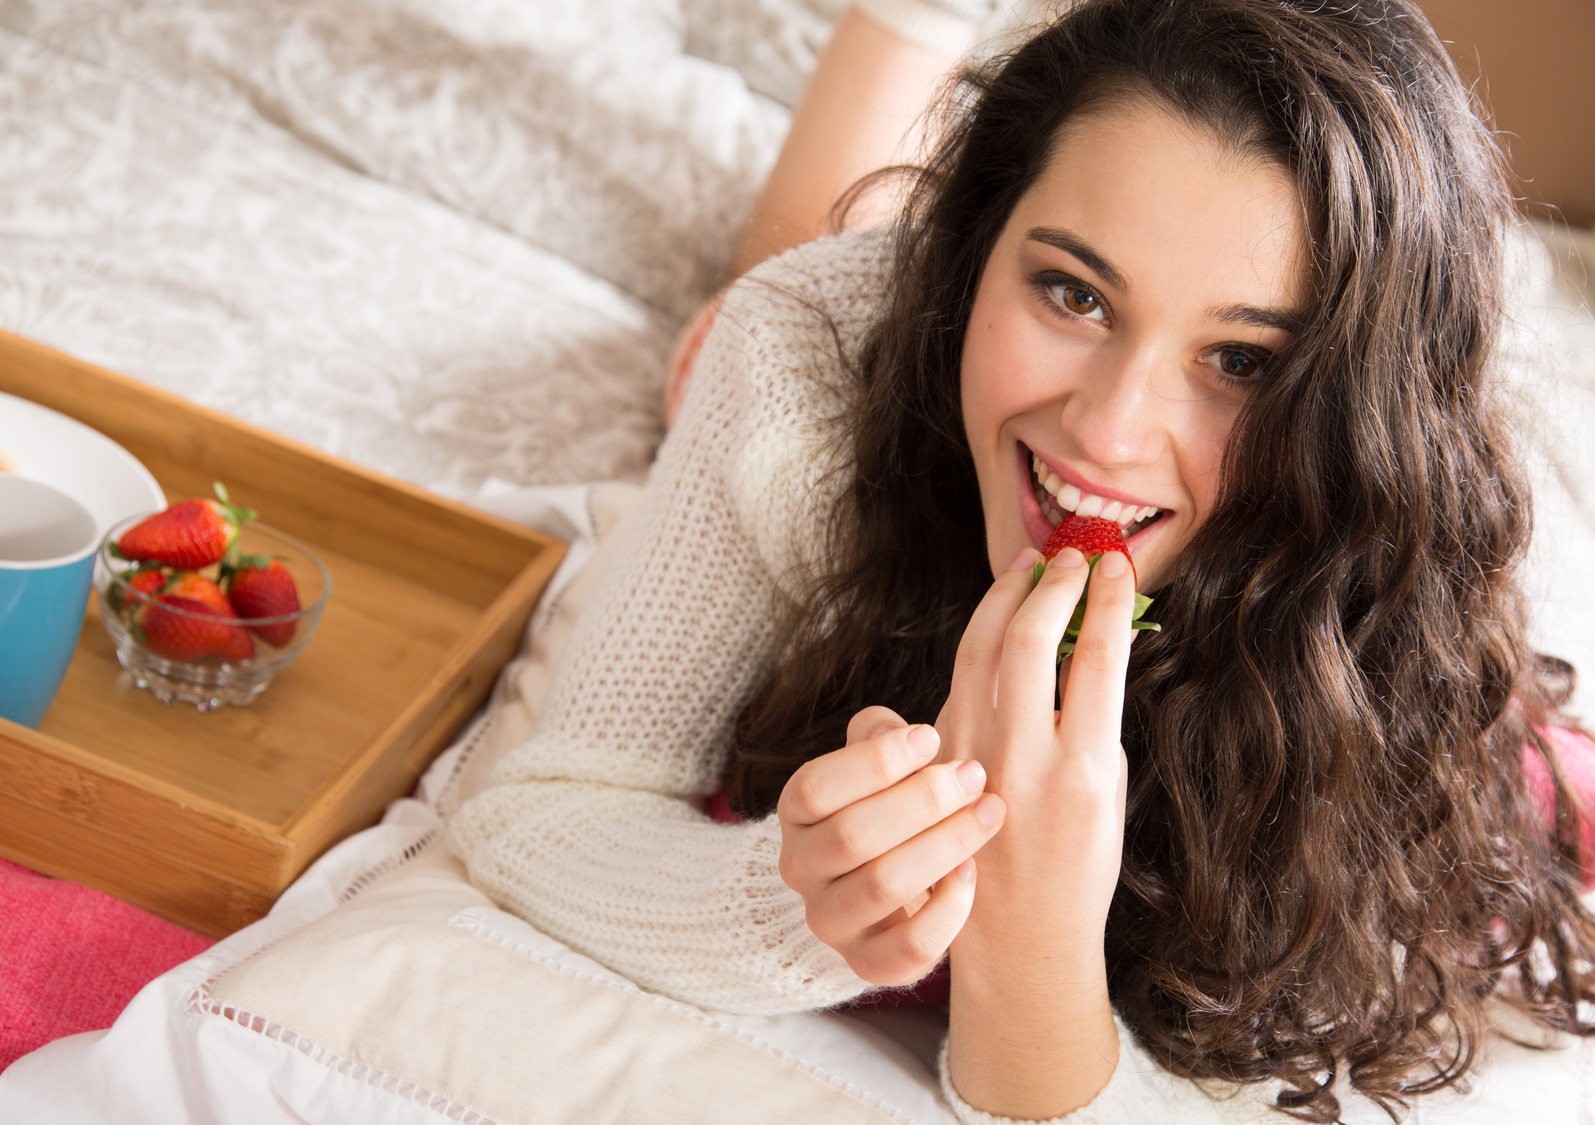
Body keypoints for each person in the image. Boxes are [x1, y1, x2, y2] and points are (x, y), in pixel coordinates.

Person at [449, 0, 1595, 1121]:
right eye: (1071, 292)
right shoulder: (800, 366)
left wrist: (1030, 939)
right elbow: (541, 810)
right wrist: (794, 912)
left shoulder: (1384, 584)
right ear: (973, 248)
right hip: (854, 361)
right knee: (747, 304)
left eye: (1240, 362)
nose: (1107, 431)